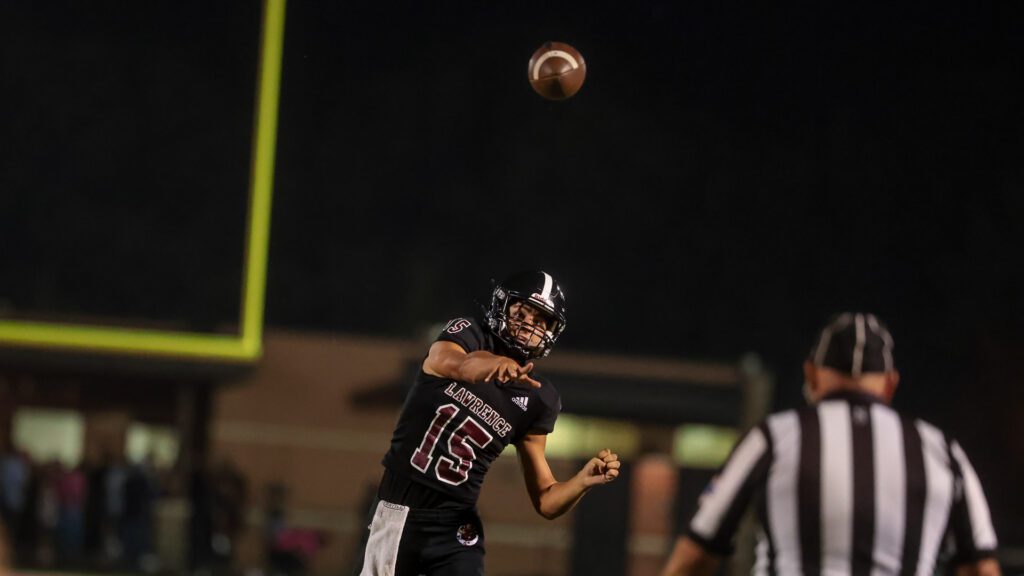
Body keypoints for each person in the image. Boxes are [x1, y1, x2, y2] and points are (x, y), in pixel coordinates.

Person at [661, 312, 1000, 576]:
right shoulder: (941, 451)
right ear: (890, 385)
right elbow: (981, 567)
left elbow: (695, 556)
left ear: (811, 375)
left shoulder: (774, 438)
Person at [357, 270, 621, 576]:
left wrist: (582, 482)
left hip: (457, 528)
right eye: (523, 313)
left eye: (540, 321)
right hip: (399, 513)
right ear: (502, 306)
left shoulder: (539, 398)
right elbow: (449, 362)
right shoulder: (467, 335)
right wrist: (490, 364)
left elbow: (547, 499)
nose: (529, 327)